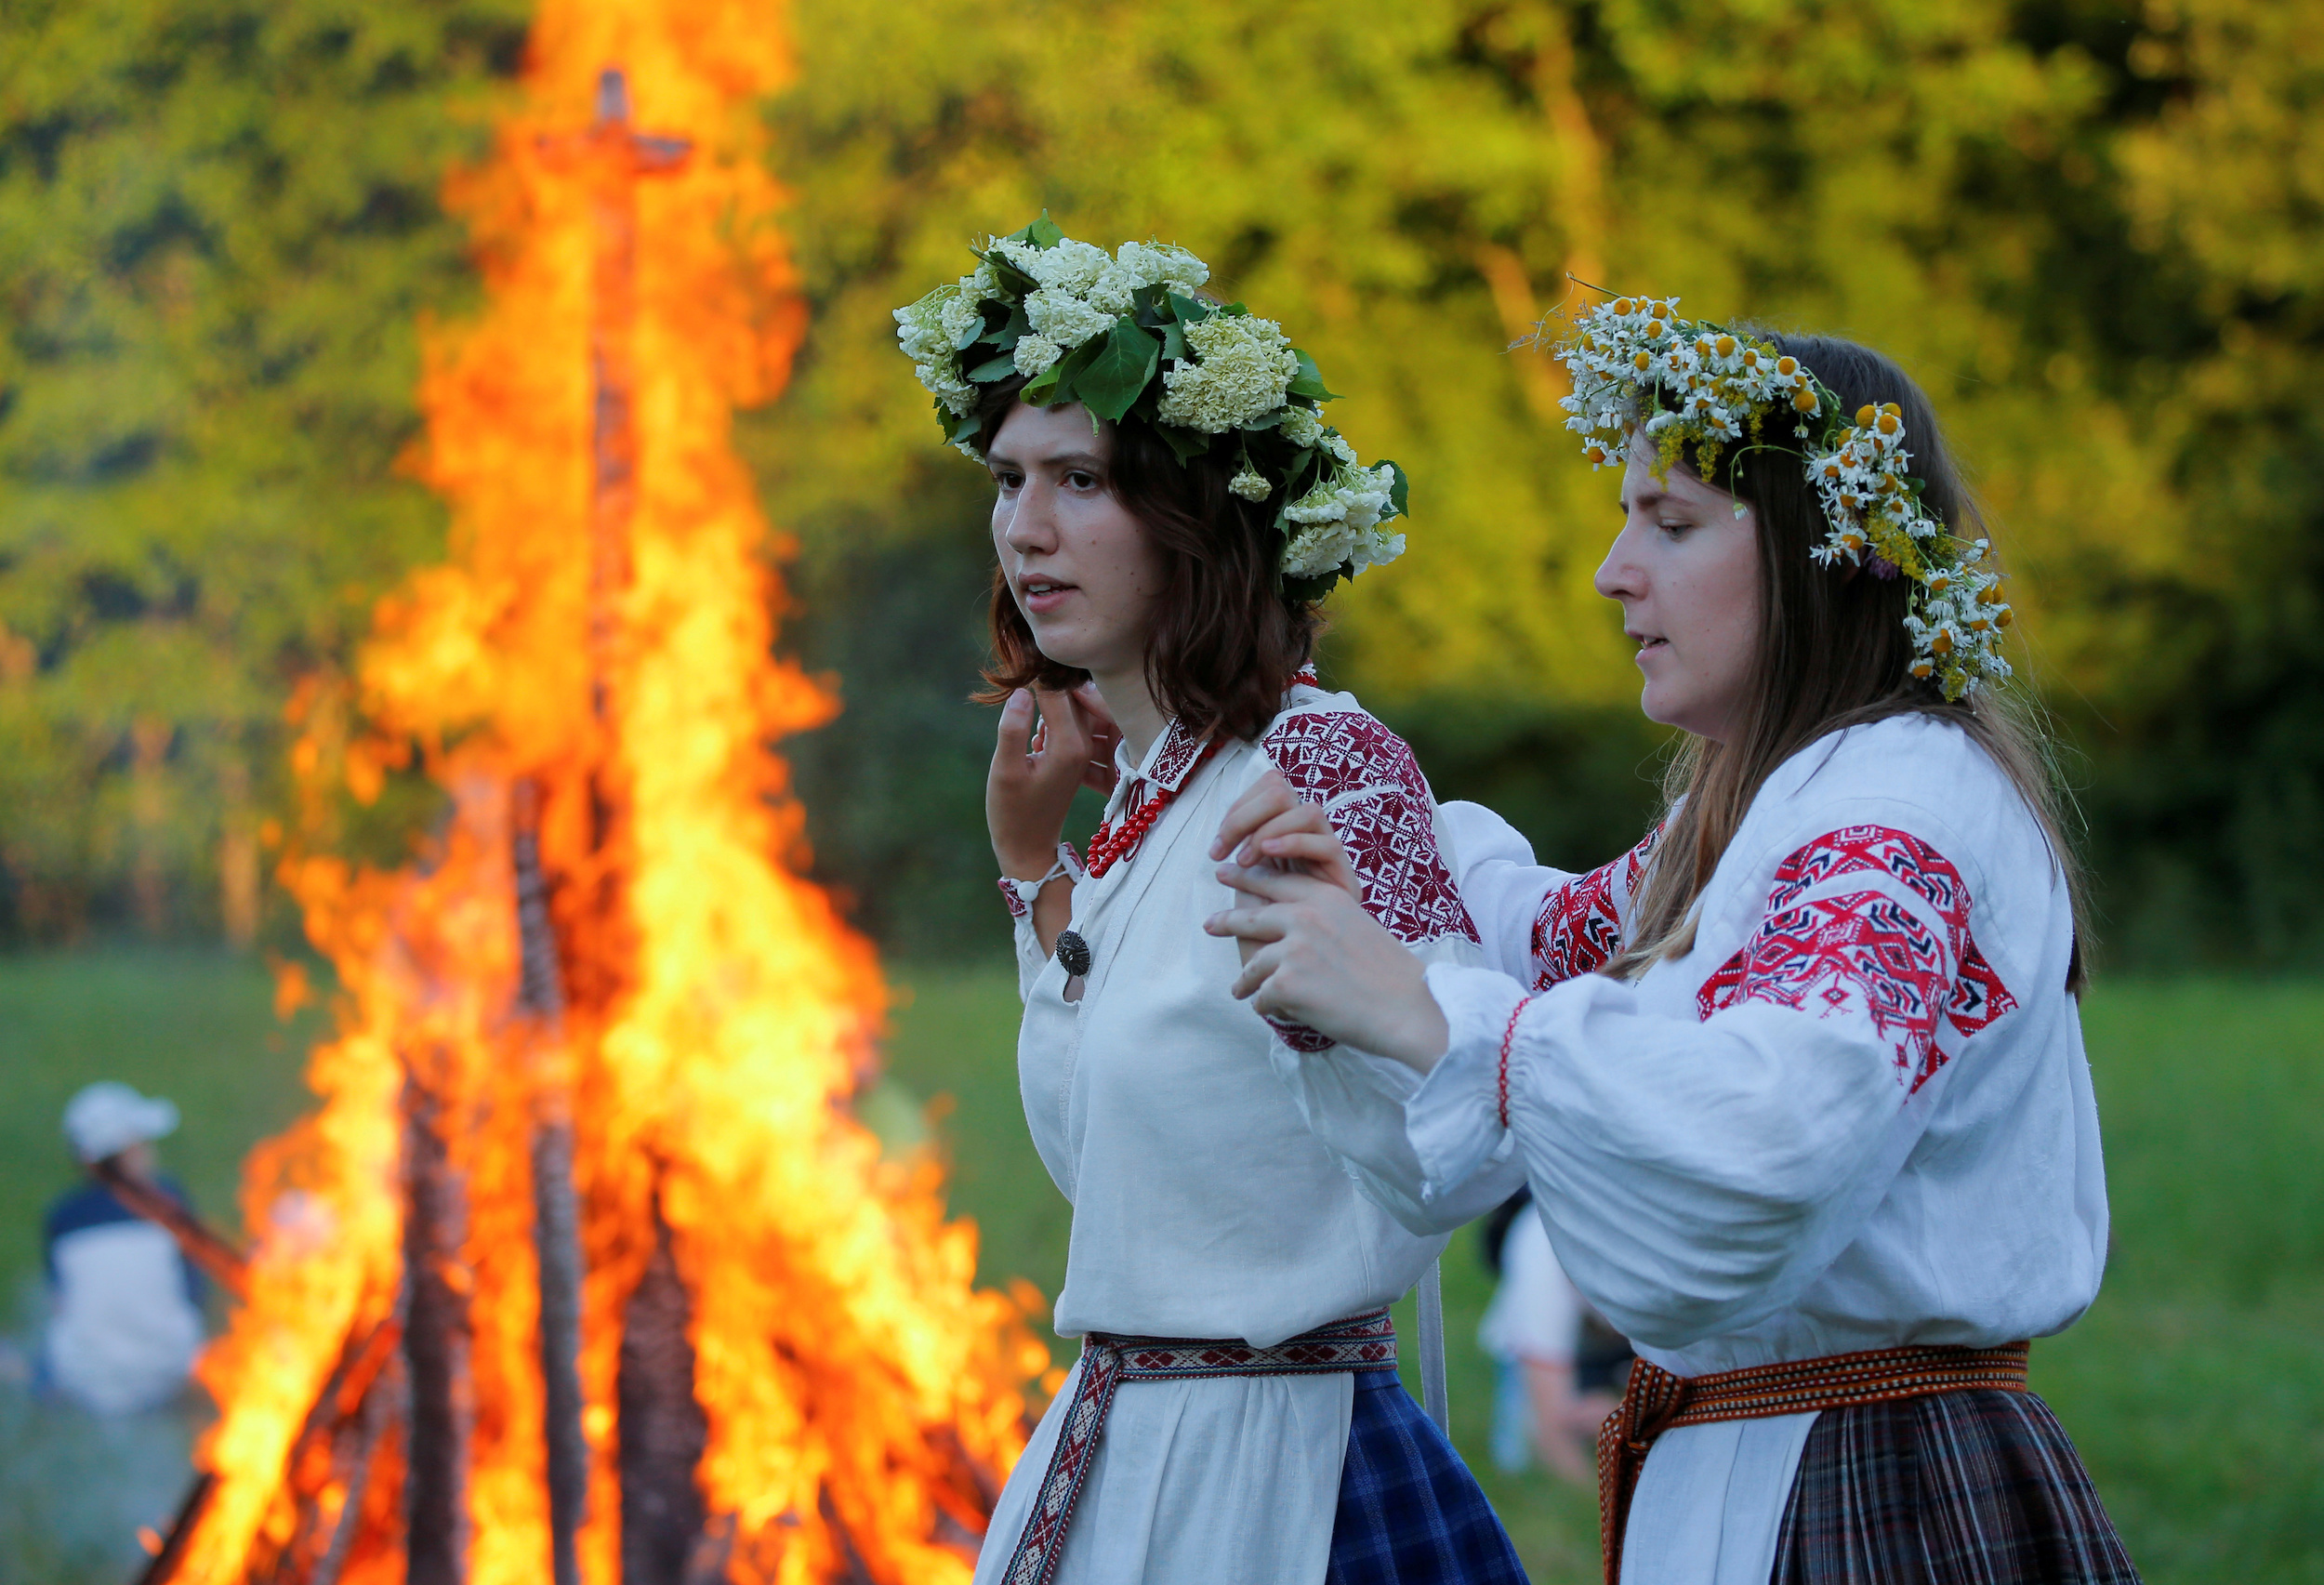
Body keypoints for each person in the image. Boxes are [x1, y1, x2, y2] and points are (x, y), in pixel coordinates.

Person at [1207, 301, 2139, 1583]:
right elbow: (1554, 939)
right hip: (1773, 1462)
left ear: (1829, 554)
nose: (1612, 568)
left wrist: (1427, 1019)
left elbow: (1771, 1131)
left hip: (1875, 1497)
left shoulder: (1890, 815)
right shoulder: (1766, 807)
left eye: (1673, 521)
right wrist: (1365, 802)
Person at [894, 218, 1527, 1583]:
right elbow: (1113, 1177)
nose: (1026, 527)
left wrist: (1343, 1005)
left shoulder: (1317, 760)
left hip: (1283, 1476)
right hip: (1129, 1451)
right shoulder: (1147, 801)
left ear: (1197, 520)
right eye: (1008, 478)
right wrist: (1036, 873)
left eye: (1081, 479)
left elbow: (1459, 1149)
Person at [41, 1082, 206, 1416]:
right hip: (168, 1372)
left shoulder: (62, 1219)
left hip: (87, 1382)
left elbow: (62, 1302)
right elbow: (194, 1292)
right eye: (142, 1143)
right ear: (129, 1152)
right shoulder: (169, 1201)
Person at [1476, 1187, 1629, 1483]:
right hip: (1553, 1324)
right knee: (1519, 1460)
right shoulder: (1541, 1254)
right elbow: (1550, 1428)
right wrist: (1595, 1507)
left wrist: (1629, 1415)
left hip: (1628, 1342)